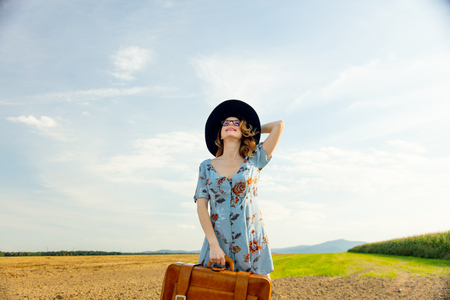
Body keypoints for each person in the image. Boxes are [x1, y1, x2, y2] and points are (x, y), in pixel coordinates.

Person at [194, 99, 284, 278]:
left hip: (252, 245)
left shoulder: (255, 159)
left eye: (236, 123)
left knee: (253, 294)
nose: (230, 125)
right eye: (225, 123)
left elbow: (278, 126)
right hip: (218, 247)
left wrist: (252, 129)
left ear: (243, 131)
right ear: (219, 134)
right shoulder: (206, 166)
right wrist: (213, 245)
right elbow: (201, 207)